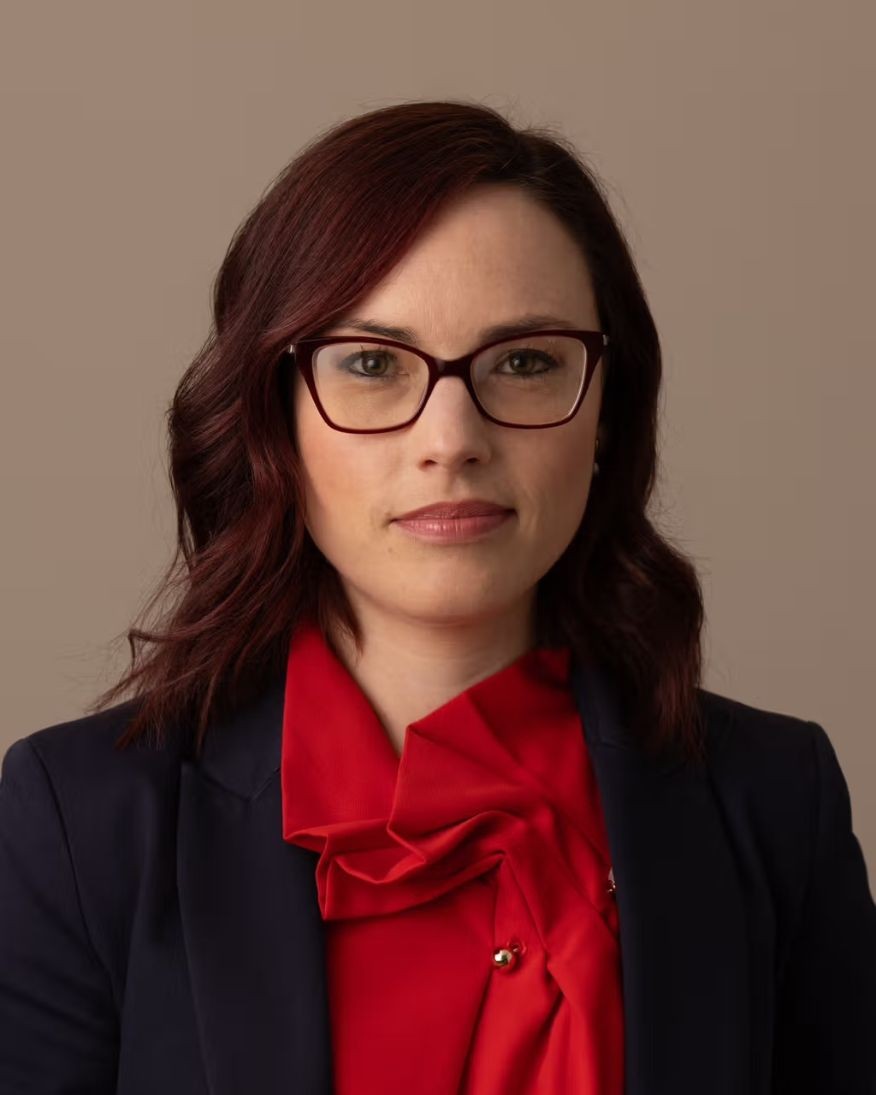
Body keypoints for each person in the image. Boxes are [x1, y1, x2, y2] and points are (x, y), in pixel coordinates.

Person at [1, 99, 874, 1095]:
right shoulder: (81, 825)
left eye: (528, 362)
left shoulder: (773, 802)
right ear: (274, 418)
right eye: (372, 364)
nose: (451, 436)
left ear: (606, 416)